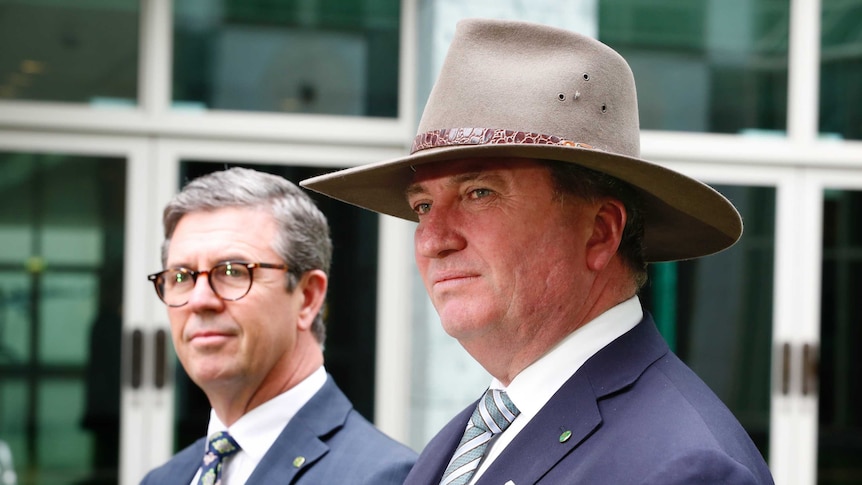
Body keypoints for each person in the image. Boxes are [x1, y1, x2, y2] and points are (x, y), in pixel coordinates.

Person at [301, 18, 774, 485]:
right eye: (423, 206)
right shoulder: (470, 438)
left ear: (600, 233)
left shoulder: (686, 467)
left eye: (479, 193)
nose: (432, 239)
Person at [140, 168, 416, 485]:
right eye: (180, 277)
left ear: (308, 296)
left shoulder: (388, 477)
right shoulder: (164, 479)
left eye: (232, 271)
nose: (199, 300)